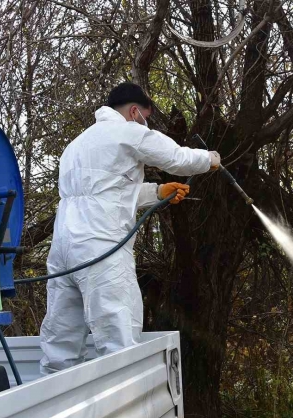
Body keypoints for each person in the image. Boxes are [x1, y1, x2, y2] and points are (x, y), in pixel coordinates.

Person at [39, 82, 220, 374]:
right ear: (135, 111)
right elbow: (177, 158)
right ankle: (123, 412)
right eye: (146, 117)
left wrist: (158, 192)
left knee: (61, 340)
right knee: (117, 338)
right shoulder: (127, 130)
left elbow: (106, 193)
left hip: (63, 251)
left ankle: (51, 406)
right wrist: (208, 159)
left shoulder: (77, 145)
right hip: (102, 248)